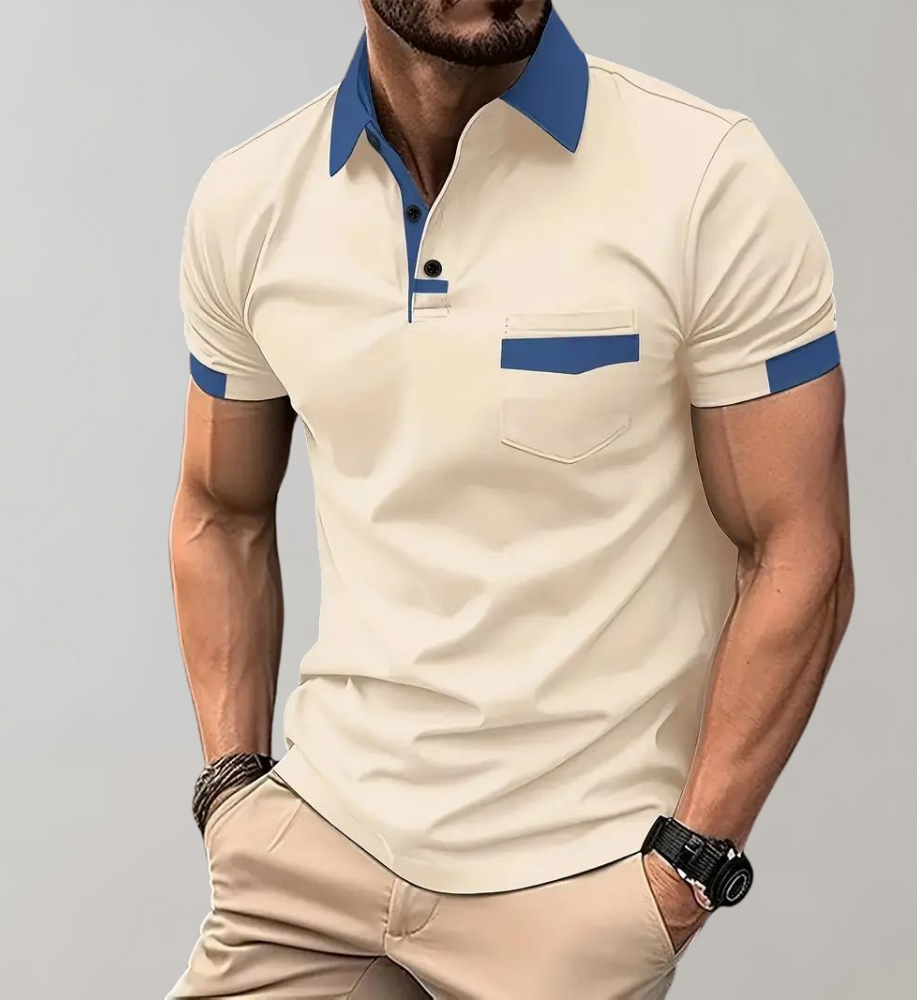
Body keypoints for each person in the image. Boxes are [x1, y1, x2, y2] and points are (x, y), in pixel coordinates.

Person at [166, 1, 854, 996]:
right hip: (314, 853)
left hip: (570, 891)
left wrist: (686, 869)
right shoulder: (250, 202)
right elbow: (218, 510)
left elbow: (801, 547)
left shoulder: (706, 179)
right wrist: (231, 789)